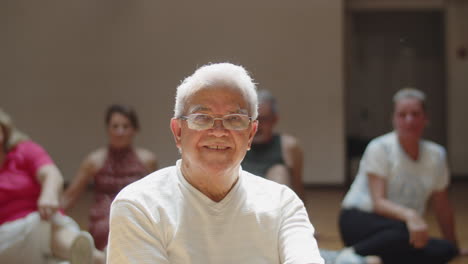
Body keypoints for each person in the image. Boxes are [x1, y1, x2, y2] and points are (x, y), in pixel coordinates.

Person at [107, 63, 324, 264]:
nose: (219, 132)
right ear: (178, 132)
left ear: (250, 134)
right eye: (202, 117)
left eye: (234, 119)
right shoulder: (139, 206)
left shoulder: (283, 204)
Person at [338, 88, 467, 264]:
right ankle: (349, 255)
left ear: (425, 118)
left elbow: (442, 206)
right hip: (359, 219)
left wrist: (453, 245)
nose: (409, 120)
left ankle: (372, 259)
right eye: (402, 115)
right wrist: (410, 215)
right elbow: (378, 203)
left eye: (415, 114)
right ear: (394, 119)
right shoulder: (380, 148)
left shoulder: (436, 155)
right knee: (404, 234)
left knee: (445, 250)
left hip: (399, 229)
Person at [0, 108, 105, 264]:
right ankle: (98, 258)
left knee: (62, 257)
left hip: (48, 225)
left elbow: (51, 174)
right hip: (8, 237)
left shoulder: (24, 150)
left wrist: (48, 195)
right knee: (42, 224)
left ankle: (87, 257)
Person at [63, 104, 157, 250]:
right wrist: (50, 217)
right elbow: (70, 196)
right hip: (104, 220)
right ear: (108, 129)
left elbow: (157, 197)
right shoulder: (94, 160)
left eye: (125, 127)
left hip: (136, 216)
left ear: (134, 130)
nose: (120, 132)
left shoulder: (147, 160)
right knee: (108, 227)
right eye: (115, 126)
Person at [241, 89, 304, 198]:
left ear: (275, 120)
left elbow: (297, 186)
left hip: (274, 206)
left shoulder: (288, 146)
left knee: (280, 171)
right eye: (252, 119)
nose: (257, 126)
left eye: (263, 119)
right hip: (240, 201)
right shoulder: (235, 143)